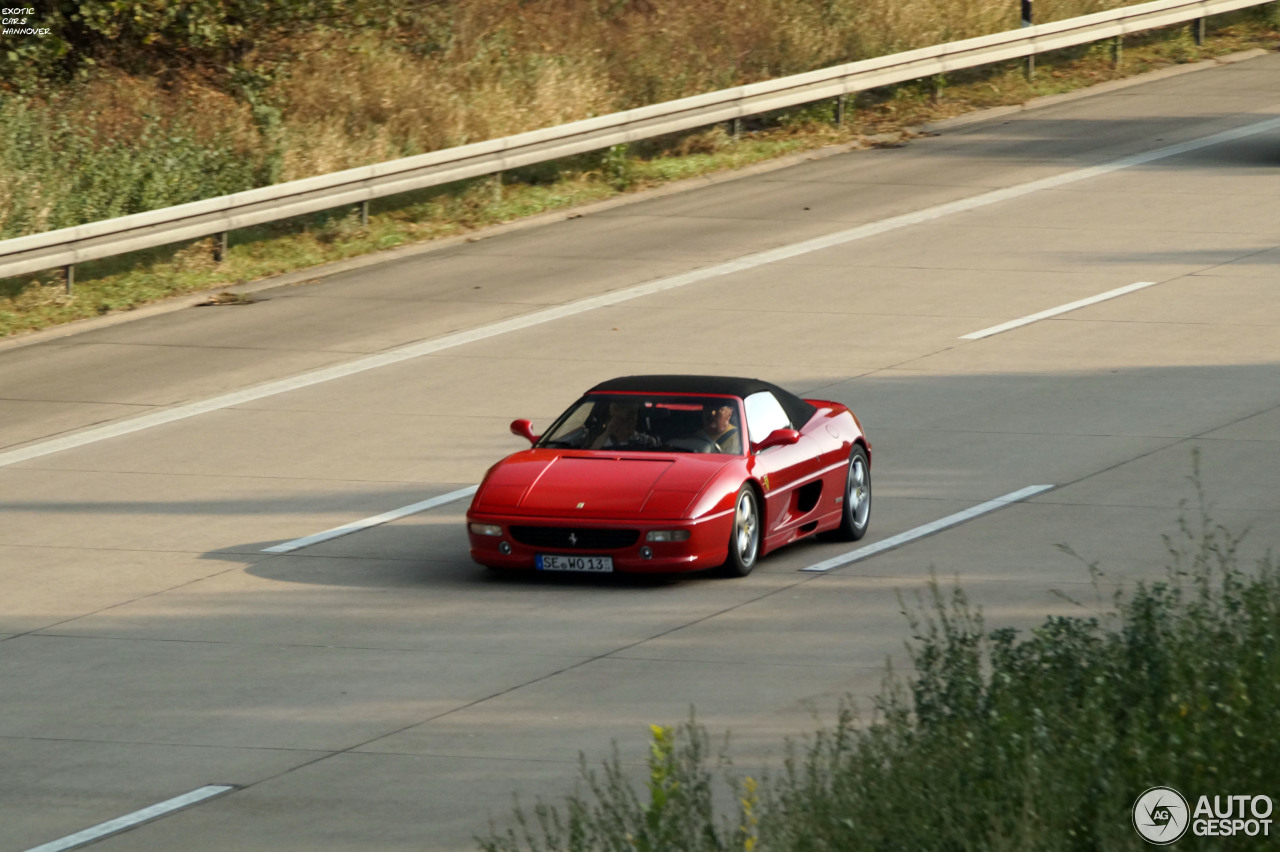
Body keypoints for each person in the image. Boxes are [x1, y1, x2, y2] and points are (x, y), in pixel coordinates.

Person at [590, 401, 659, 449]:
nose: (630, 422)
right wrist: (607, 432)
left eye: (632, 418)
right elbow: (592, 453)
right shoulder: (604, 441)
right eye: (621, 420)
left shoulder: (645, 441)